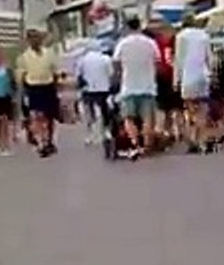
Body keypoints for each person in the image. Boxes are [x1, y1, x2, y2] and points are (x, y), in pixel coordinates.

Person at [112, 16, 161, 160]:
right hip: (148, 86)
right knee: (147, 118)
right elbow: (157, 62)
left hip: (128, 87)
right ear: (140, 26)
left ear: (127, 27)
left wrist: (119, 76)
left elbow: (116, 63)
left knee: (128, 118)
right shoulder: (150, 43)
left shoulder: (122, 44)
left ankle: (135, 144)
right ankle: (147, 145)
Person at [174, 13, 214, 154]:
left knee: (190, 110)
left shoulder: (181, 37)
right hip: (203, 76)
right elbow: (210, 58)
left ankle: (193, 139)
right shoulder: (204, 35)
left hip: (188, 77)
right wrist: (211, 74)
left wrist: (176, 80)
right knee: (202, 110)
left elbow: (179, 60)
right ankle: (201, 140)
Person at [17, 27, 59, 157]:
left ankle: (50, 140)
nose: (35, 40)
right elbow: (21, 76)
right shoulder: (24, 57)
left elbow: (55, 71)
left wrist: (57, 86)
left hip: (48, 86)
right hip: (33, 88)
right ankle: (41, 142)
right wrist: (23, 92)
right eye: (32, 38)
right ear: (28, 40)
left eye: (37, 37)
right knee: (36, 116)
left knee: (50, 116)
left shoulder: (49, 54)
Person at [148, 15, 181, 141]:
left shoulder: (155, 42)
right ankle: (173, 130)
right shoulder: (174, 40)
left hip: (161, 75)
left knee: (163, 107)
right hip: (172, 75)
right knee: (173, 107)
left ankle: (166, 131)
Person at [77, 41, 114, 145]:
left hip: (88, 90)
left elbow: (79, 75)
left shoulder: (82, 60)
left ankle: (90, 135)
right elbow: (111, 73)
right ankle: (106, 131)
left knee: (89, 112)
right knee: (105, 110)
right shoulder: (106, 59)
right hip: (103, 89)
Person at [208, 46, 224, 149]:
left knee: (215, 118)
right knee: (220, 117)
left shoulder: (210, 71)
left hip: (214, 96)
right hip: (221, 96)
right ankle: (221, 133)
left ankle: (218, 135)